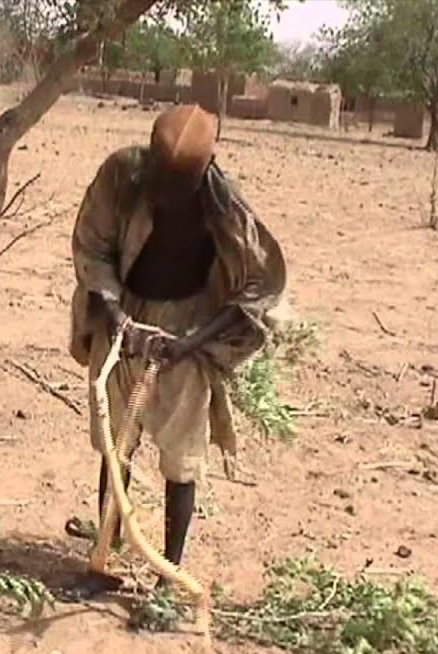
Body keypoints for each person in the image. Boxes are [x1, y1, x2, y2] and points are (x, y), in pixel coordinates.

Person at [61, 104, 288, 600]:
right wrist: (118, 317)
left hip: (189, 329)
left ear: (206, 169)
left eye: (177, 185)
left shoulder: (225, 210)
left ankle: (169, 577)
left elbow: (260, 287)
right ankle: (102, 562)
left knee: (181, 461)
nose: (164, 193)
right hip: (124, 315)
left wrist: (193, 344)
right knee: (115, 445)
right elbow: (92, 246)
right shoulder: (121, 175)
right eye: (160, 180)